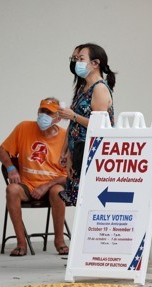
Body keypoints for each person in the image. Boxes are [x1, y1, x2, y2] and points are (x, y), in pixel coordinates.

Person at [0, 98, 68, 256]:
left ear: (59, 117)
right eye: (42, 111)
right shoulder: (24, 128)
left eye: (49, 112)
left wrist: (46, 186)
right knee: (11, 189)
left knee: (57, 191)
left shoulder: (65, 137)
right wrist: (11, 168)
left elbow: (68, 175)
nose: (44, 115)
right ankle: (21, 243)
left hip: (52, 187)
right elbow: (1, 151)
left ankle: (59, 241)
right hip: (27, 185)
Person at [58, 43, 116, 205]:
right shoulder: (82, 88)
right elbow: (73, 125)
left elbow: (100, 127)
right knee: (80, 203)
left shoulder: (99, 89)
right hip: (78, 152)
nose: (76, 62)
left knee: (91, 202)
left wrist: (74, 116)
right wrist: (66, 152)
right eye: (75, 59)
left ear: (95, 63)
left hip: (93, 154)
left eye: (80, 59)